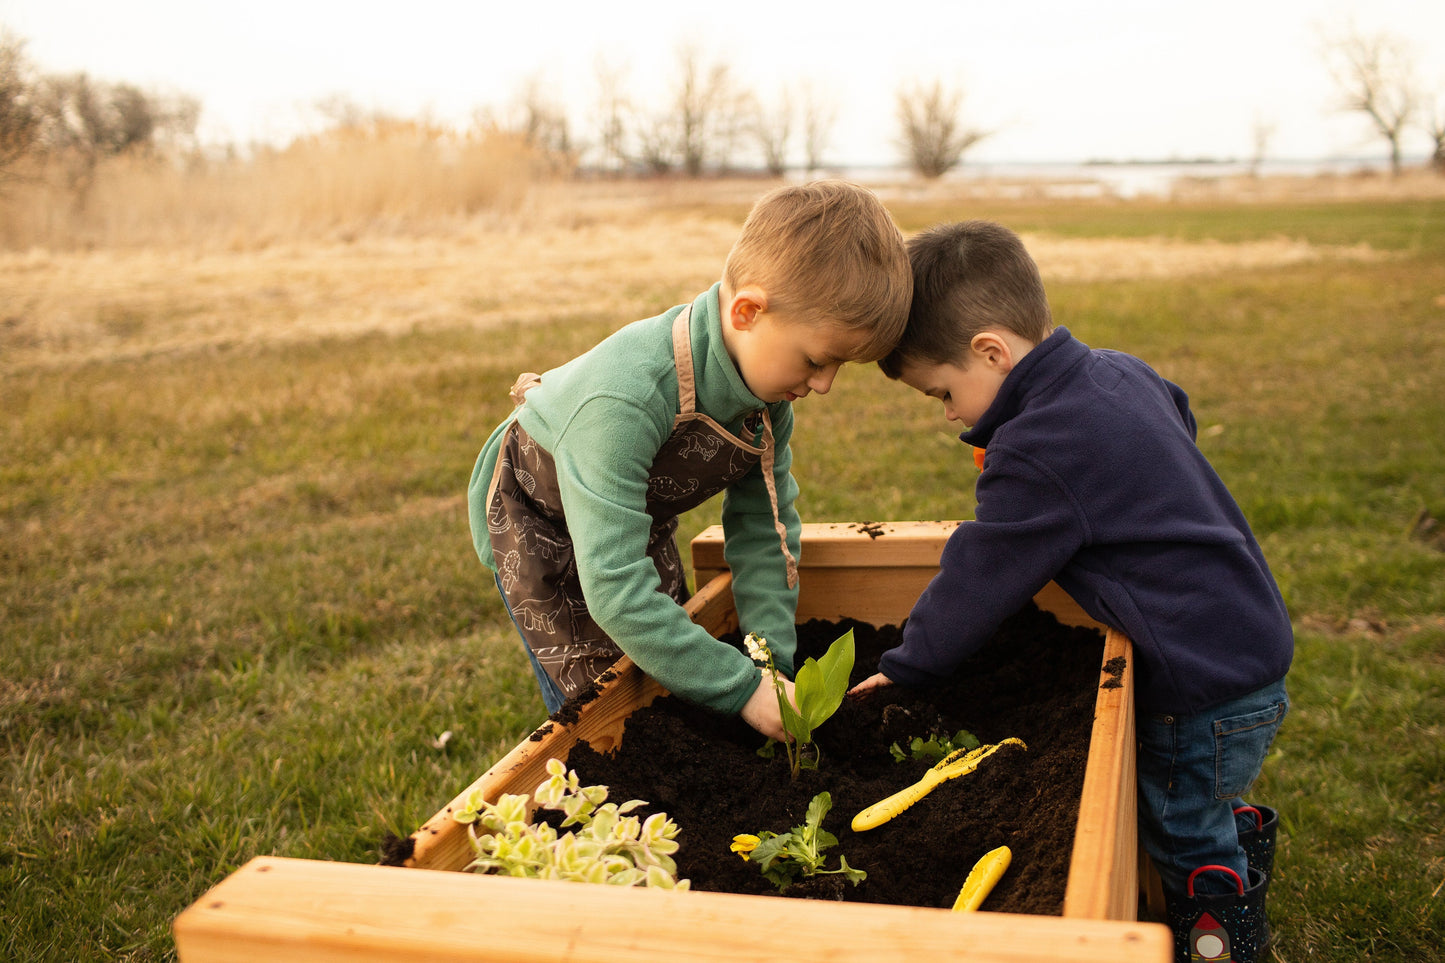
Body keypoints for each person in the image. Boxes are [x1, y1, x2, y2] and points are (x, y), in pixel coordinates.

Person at [849, 220, 1292, 963]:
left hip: (1197, 680)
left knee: (1179, 826)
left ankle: (1223, 941)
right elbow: (1176, 414)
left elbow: (983, 570)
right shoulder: (1116, 370)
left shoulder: (1036, 447)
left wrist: (909, 662)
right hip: (1245, 636)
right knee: (1200, 802)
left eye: (942, 393)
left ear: (991, 351)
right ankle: (1235, 845)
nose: (951, 416)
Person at [469, 180, 912, 743]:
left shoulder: (765, 404)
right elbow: (614, 589)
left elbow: (763, 533)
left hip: (633, 509)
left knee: (668, 662)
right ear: (748, 311)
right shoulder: (624, 401)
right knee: (600, 701)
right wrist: (743, 691)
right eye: (817, 361)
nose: (824, 385)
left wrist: (768, 667)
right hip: (539, 522)